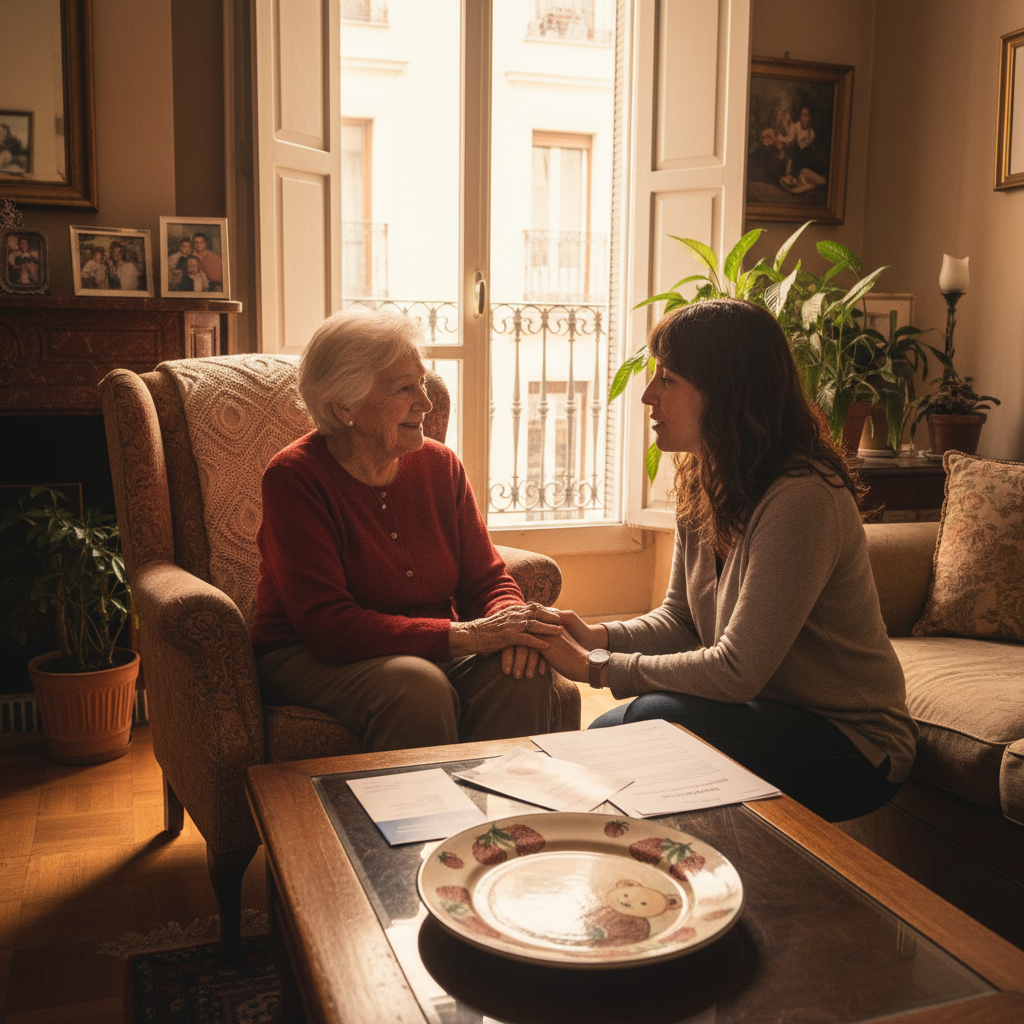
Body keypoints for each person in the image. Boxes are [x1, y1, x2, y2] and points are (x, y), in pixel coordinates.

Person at [537, 299, 917, 822]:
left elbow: (736, 671)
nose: (647, 395)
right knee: (611, 738)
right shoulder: (702, 478)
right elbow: (681, 620)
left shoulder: (803, 498)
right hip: (767, 714)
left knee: (643, 721)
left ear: (726, 392)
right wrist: (597, 635)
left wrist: (598, 668)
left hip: (854, 744)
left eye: (667, 380)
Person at [252, 306, 560, 751]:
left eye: (423, 383)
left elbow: (486, 578)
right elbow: (329, 627)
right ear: (345, 406)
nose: (426, 403)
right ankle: (416, 822)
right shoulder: (294, 478)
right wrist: (465, 636)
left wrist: (509, 626)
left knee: (521, 673)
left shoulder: (441, 466)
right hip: (307, 654)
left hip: (429, 646)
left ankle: (503, 818)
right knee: (416, 686)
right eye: (404, 389)